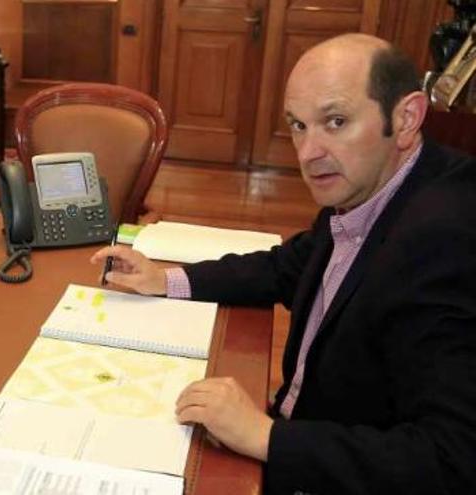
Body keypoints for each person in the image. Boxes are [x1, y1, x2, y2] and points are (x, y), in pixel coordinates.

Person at [92, 34, 476, 494]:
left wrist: (267, 437)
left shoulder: (446, 238)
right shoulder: (371, 185)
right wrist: (166, 279)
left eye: (335, 122)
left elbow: (451, 460)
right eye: (298, 125)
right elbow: (287, 266)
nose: (309, 153)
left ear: (406, 117)